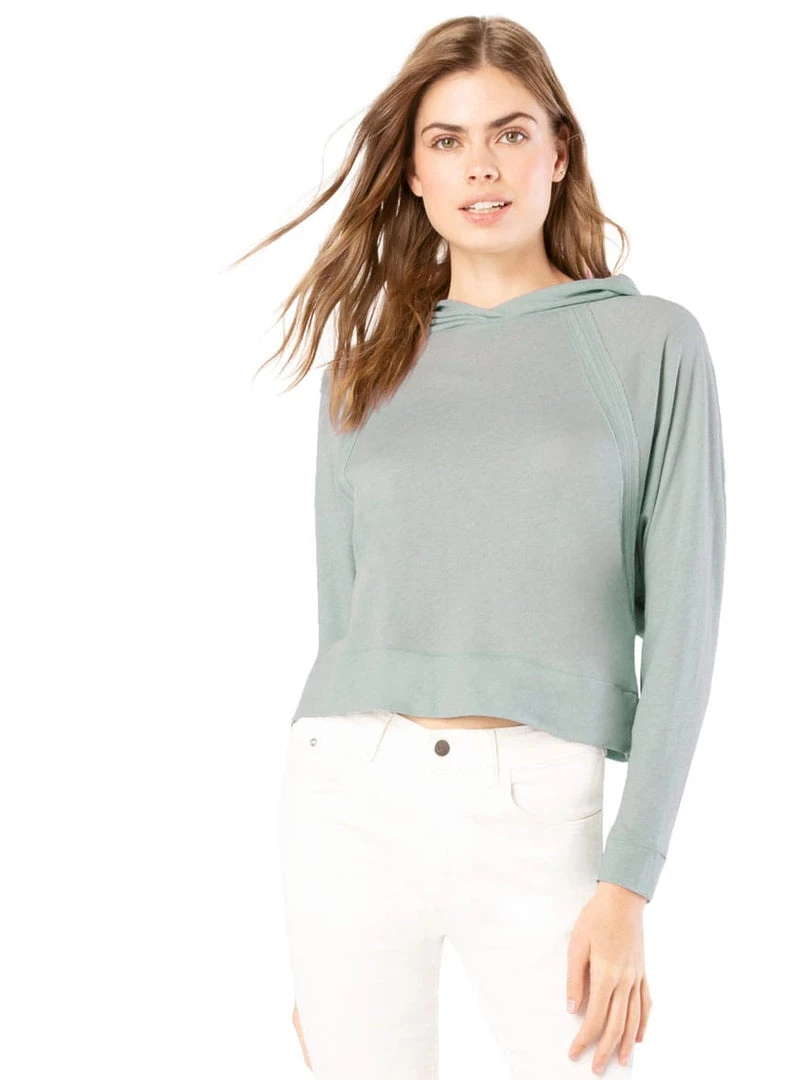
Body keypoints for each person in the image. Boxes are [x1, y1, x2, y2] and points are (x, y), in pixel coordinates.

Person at [233, 15, 726, 1079]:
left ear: (559, 151)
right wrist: (318, 956)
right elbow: (343, 623)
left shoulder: (649, 343)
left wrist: (629, 882)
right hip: (343, 798)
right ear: (413, 174)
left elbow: (686, 628)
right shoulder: (362, 370)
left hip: (539, 808)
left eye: (508, 133)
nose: (481, 166)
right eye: (446, 141)